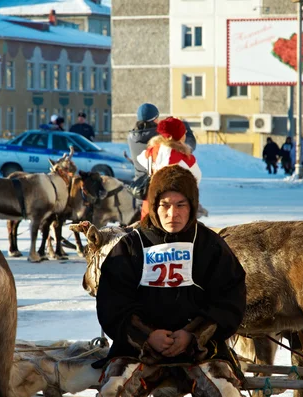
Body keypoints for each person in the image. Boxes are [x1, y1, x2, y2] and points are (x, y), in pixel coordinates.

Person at [93, 165, 247, 397]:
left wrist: (193, 335)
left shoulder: (210, 245)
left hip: (202, 350)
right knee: (112, 391)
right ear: (154, 206)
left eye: (181, 205)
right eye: (164, 205)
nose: (172, 214)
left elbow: (230, 298)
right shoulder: (131, 246)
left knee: (226, 393)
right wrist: (147, 336)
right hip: (138, 351)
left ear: (192, 206)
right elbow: (112, 302)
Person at [137, 117, 202, 220]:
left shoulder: (151, 151)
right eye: (183, 133)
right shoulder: (184, 158)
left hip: (151, 202)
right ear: (178, 136)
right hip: (173, 208)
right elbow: (196, 177)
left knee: (148, 232)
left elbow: (140, 158)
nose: (185, 135)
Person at [127, 103, 197, 181]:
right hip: (158, 184)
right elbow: (189, 146)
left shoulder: (131, 137)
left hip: (139, 184)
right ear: (155, 119)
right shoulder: (160, 137)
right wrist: (183, 127)